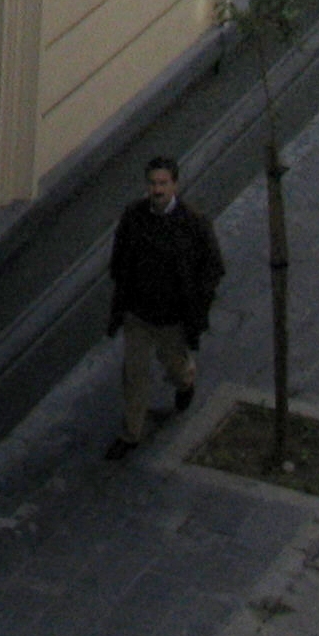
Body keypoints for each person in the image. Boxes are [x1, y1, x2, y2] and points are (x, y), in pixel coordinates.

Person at [102, 153, 223, 457]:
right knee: (134, 374)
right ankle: (131, 433)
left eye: (163, 183)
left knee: (174, 366)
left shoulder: (193, 223)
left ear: (175, 185)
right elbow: (120, 256)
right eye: (153, 183)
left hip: (172, 318)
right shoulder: (134, 216)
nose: (157, 189)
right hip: (138, 315)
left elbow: (212, 266)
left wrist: (197, 302)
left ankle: (186, 381)